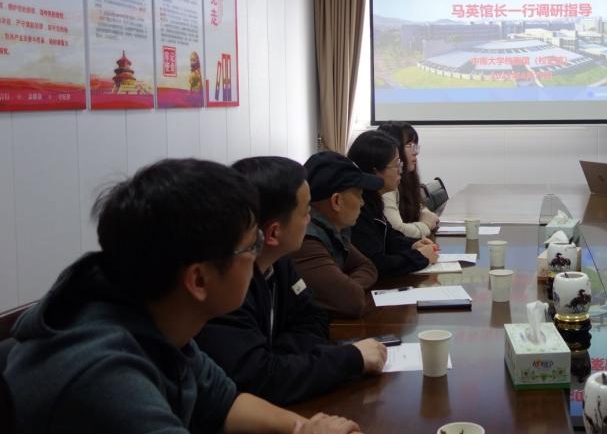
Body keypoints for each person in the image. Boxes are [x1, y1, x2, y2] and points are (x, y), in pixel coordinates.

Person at [3, 159, 362, 434]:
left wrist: (303, 428)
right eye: (250, 246)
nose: (258, 255)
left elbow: (224, 403)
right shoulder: (106, 379)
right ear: (199, 280)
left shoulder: (158, 314)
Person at [195, 157, 386, 406]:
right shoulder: (226, 284)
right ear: (274, 232)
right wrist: (350, 359)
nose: (310, 220)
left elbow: (314, 318)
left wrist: (277, 356)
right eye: (306, 212)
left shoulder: (279, 262)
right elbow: (258, 380)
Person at [293, 151, 382, 318]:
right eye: (359, 195)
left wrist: (348, 284)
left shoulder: (334, 228)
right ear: (336, 201)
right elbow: (351, 301)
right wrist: (347, 288)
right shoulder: (306, 241)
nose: (362, 203)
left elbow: (367, 267)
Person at [347, 131, 438, 276]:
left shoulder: (374, 199)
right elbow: (376, 264)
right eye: (397, 165)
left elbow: (390, 238)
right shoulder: (357, 207)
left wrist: (413, 245)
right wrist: (419, 256)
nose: (401, 170)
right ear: (375, 172)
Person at [377, 121, 439, 238]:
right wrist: (426, 225)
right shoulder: (386, 185)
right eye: (410, 145)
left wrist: (425, 213)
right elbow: (397, 230)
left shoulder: (407, 179)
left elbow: (420, 209)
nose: (415, 152)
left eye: (416, 146)